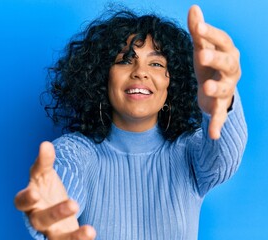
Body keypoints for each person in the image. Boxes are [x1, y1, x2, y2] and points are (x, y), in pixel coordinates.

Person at [14, 4, 247, 240]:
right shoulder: (76, 152)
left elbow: (224, 157)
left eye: (156, 64)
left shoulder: (188, 152)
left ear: (172, 83)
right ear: (102, 77)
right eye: (125, 60)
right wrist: (50, 211)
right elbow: (59, 187)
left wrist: (222, 99)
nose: (140, 72)